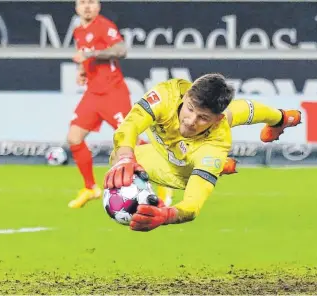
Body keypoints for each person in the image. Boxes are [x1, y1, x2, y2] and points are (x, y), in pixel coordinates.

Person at [104, 74, 302, 231]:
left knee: (229, 120)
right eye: (190, 109)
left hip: (181, 167)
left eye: (203, 118)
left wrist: (167, 215)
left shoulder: (216, 143)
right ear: (187, 95)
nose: (191, 120)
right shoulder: (167, 93)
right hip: (164, 152)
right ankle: (282, 118)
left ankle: (208, 168)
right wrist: (125, 158)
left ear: (215, 120)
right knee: (117, 156)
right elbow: (130, 124)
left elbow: (192, 204)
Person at [67, 0, 132, 209]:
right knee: (74, 138)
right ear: (76, 6)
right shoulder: (78, 31)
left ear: (99, 6)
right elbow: (85, 56)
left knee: (130, 144)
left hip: (113, 92)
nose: (87, 7)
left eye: (92, 2)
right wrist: (82, 71)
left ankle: (162, 183)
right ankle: (90, 187)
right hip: (93, 94)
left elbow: (121, 50)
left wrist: (91, 54)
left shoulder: (104, 26)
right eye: (83, 3)